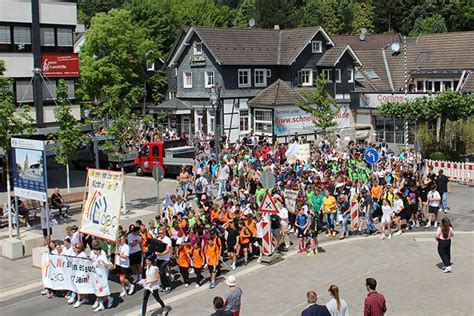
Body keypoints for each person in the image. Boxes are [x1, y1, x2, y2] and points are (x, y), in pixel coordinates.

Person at [90, 240, 113, 311]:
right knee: (99, 290)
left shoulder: (102, 256)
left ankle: (109, 299)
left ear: (99, 251)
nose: (95, 251)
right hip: (97, 275)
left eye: (96, 250)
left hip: (102, 276)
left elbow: (108, 266)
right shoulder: (97, 257)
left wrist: (102, 262)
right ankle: (101, 304)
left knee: (102, 289)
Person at [154, 226, 173, 293]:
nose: (160, 234)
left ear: (164, 233)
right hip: (159, 258)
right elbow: (155, 247)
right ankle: (163, 285)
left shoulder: (167, 240)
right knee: (160, 273)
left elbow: (168, 250)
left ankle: (167, 285)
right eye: (159, 233)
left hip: (165, 259)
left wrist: (161, 254)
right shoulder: (158, 238)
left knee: (162, 272)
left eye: (161, 233)